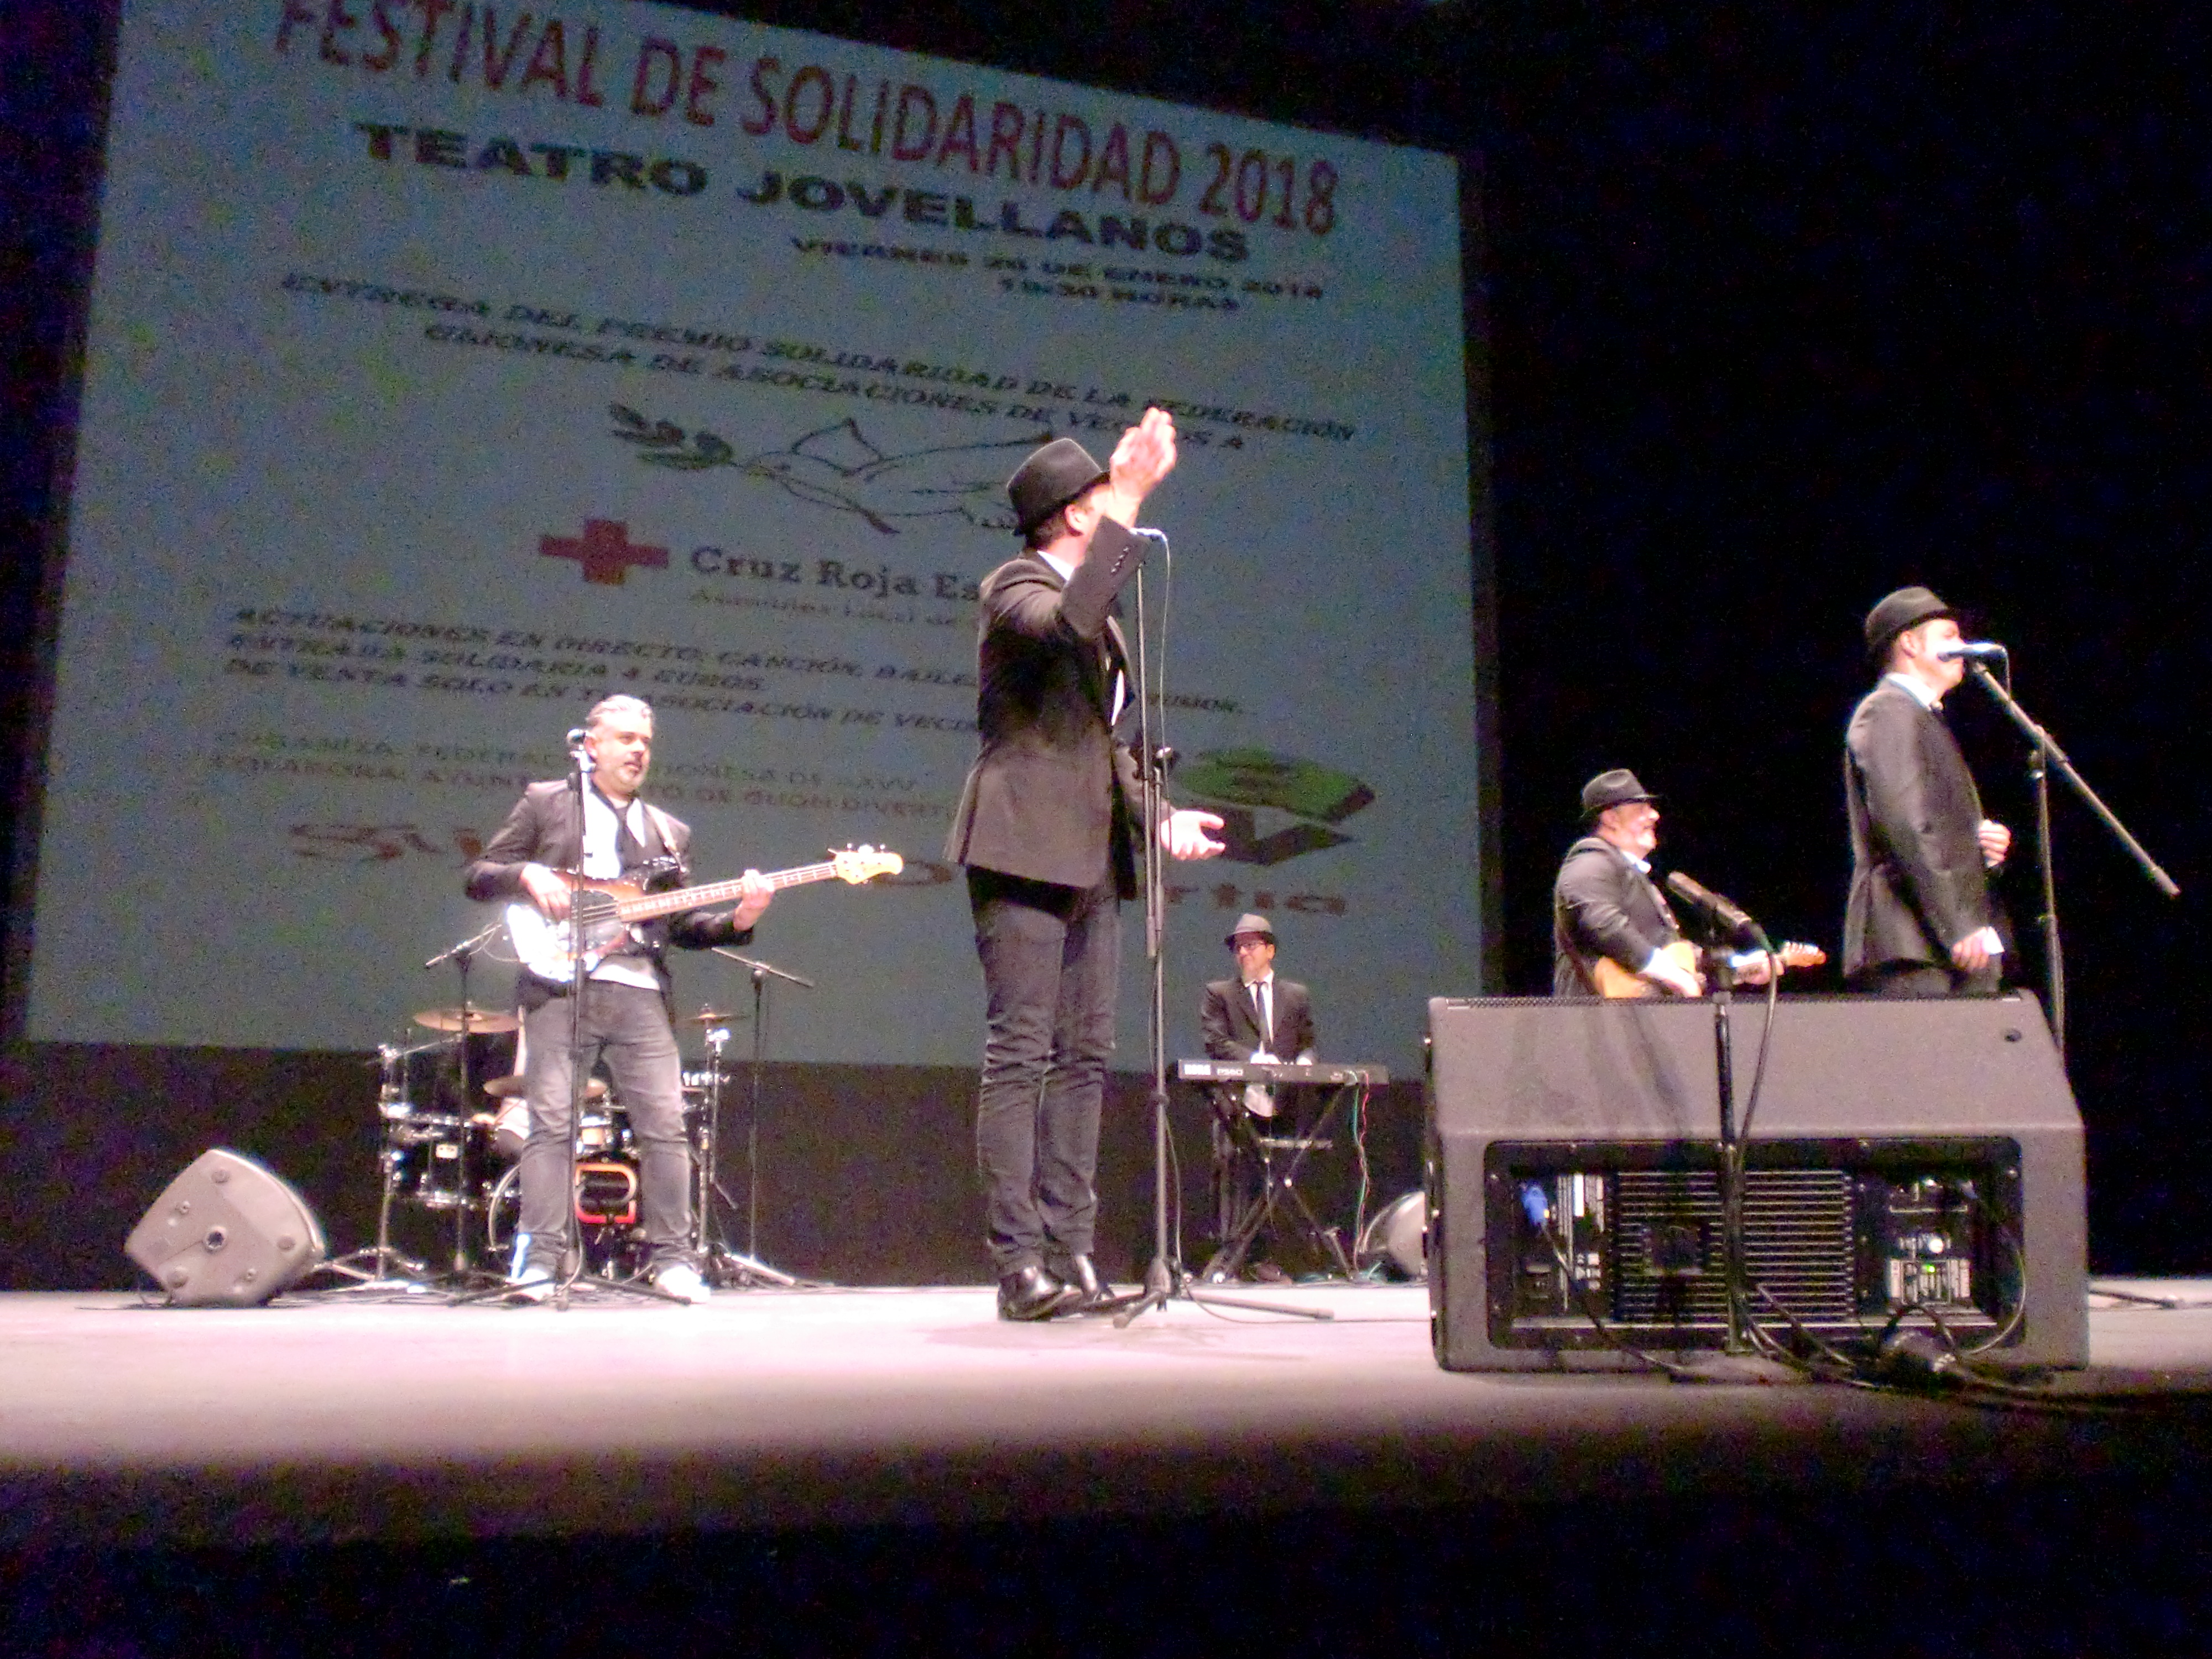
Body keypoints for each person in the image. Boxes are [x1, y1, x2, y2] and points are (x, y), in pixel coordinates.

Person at [943, 409, 1226, 1321]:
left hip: (1094, 855)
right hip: (1023, 848)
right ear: (1073, 514)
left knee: (1086, 1058)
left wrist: (1161, 818)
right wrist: (1131, 496)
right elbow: (1066, 625)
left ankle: (1073, 1250)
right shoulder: (1013, 587)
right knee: (1021, 1053)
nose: (1116, 509)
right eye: (1101, 498)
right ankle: (1018, 1264)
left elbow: (1108, 744)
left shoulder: (1101, 619)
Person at [464, 696, 773, 1301]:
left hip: (640, 991)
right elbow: (479, 876)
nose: (638, 750)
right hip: (560, 984)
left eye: (646, 742)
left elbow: (679, 926)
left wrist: (740, 918)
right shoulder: (546, 802)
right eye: (626, 738)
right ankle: (540, 1260)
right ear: (592, 745)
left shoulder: (670, 832)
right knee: (552, 1126)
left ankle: (673, 1261)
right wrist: (527, 874)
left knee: (665, 1127)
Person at [1844, 586, 2011, 995]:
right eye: (1950, 636)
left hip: (1940, 945)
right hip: (1913, 945)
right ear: (1910, 644)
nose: (1963, 646)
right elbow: (1907, 824)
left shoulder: (1921, 717)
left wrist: (1983, 847)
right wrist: (1958, 924)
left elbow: (1933, 824)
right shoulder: (1887, 710)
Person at [1199, 912, 1317, 1277]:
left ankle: (1261, 1259)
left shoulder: (1295, 996)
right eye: (1238, 947)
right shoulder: (1220, 994)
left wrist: (1305, 1063)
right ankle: (1228, 1256)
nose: (1243, 953)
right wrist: (1254, 1060)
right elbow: (1215, 1041)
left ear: (1270, 950)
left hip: (1281, 1100)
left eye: (1251, 945)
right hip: (1237, 1097)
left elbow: (1308, 1043)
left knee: (1272, 1176)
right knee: (1232, 1171)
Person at [1552, 769, 1704, 998]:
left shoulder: (1628, 873)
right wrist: (1672, 974)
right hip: (1595, 1017)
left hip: (1641, 1016)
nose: (1655, 816)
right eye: (1641, 809)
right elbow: (1601, 921)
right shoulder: (1591, 858)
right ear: (1611, 819)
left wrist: (1740, 966)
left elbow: (1670, 950)